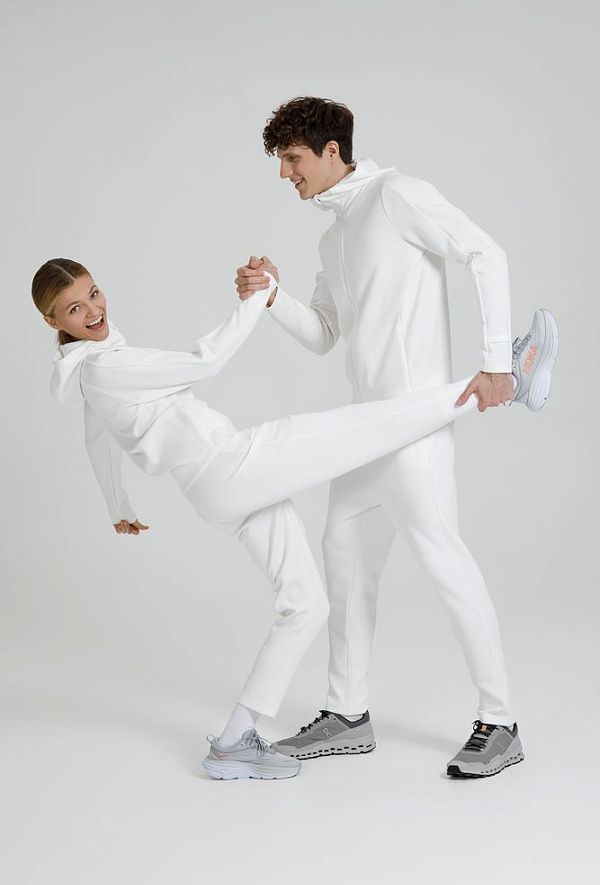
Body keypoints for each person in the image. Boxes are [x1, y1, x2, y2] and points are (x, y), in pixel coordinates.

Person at [33, 259, 555, 781]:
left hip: (215, 486)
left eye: (94, 293)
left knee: (305, 605)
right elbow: (205, 361)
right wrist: (257, 299)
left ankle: (235, 740)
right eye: (74, 308)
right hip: (229, 464)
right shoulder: (104, 368)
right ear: (53, 320)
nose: (93, 310)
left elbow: (96, 439)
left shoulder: (94, 369)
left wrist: (118, 507)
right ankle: (506, 380)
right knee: (364, 425)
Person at [235, 96, 559, 778]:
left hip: (414, 427)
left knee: (443, 558)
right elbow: (325, 334)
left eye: (292, 159)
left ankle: (500, 722)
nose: (285, 174)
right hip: (364, 432)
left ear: (331, 151)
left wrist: (496, 362)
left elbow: (485, 253)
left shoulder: (396, 196)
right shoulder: (333, 236)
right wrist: (271, 297)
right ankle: (347, 714)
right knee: (345, 560)